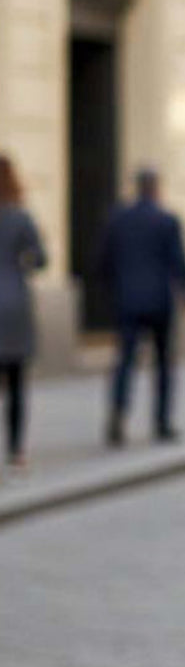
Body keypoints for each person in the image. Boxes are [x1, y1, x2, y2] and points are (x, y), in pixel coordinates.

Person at [98, 166, 185, 447]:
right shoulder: (167, 220)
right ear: (156, 189)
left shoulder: (118, 219)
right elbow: (180, 262)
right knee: (163, 364)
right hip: (159, 302)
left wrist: (112, 290)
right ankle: (161, 423)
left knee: (125, 361)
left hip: (128, 301)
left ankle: (118, 416)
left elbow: (103, 261)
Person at [0, 153, 48, 479]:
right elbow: (41, 259)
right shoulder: (21, 217)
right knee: (17, 384)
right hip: (15, 304)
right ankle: (16, 452)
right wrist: (21, 264)